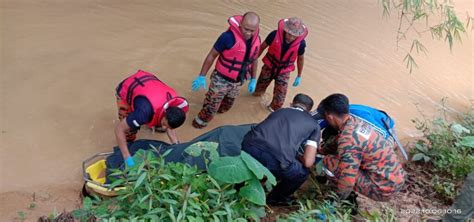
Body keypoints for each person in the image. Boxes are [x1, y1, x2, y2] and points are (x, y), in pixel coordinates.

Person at [316, 93, 405, 204]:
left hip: (383, 189)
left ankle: (344, 200)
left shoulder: (348, 141)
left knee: (329, 161)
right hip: (394, 179)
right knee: (338, 157)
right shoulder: (354, 121)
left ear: (329, 117)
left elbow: (347, 178)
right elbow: (337, 140)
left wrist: (337, 199)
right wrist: (321, 150)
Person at [241, 93, 321, 205]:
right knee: (302, 173)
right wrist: (297, 156)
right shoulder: (314, 125)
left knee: (253, 162)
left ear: (292, 103)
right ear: (308, 111)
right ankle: (275, 199)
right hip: (276, 159)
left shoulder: (279, 111)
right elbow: (308, 162)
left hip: (249, 146)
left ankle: (238, 186)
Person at [191, 12, 261, 129]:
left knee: (226, 106)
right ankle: (198, 123)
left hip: (239, 80)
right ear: (240, 24)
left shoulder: (257, 39)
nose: (248, 33)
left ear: (257, 28)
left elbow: (254, 59)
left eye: (252, 30)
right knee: (211, 107)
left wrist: (253, 79)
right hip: (221, 79)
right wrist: (202, 76)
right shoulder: (227, 37)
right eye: (246, 29)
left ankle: (215, 107)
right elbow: (212, 55)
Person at [115, 70, 189, 167]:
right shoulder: (143, 114)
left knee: (163, 125)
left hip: (149, 85)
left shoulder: (174, 105)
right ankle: (128, 142)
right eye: (164, 124)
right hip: (128, 87)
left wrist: (176, 145)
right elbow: (119, 130)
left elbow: (170, 126)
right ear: (165, 113)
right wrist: (126, 156)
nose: (164, 128)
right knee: (129, 131)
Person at [253, 17, 308, 112]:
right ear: (285, 29)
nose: (291, 37)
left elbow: (300, 59)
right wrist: (252, 62)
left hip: (284, 71)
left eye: (294, 35)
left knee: (279, 101)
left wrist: (299, 76)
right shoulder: (274, 35)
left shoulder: (301, 44)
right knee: (257, 92)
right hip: (269, 67)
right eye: (289, 34)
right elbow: (262, 48)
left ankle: (268, 114)